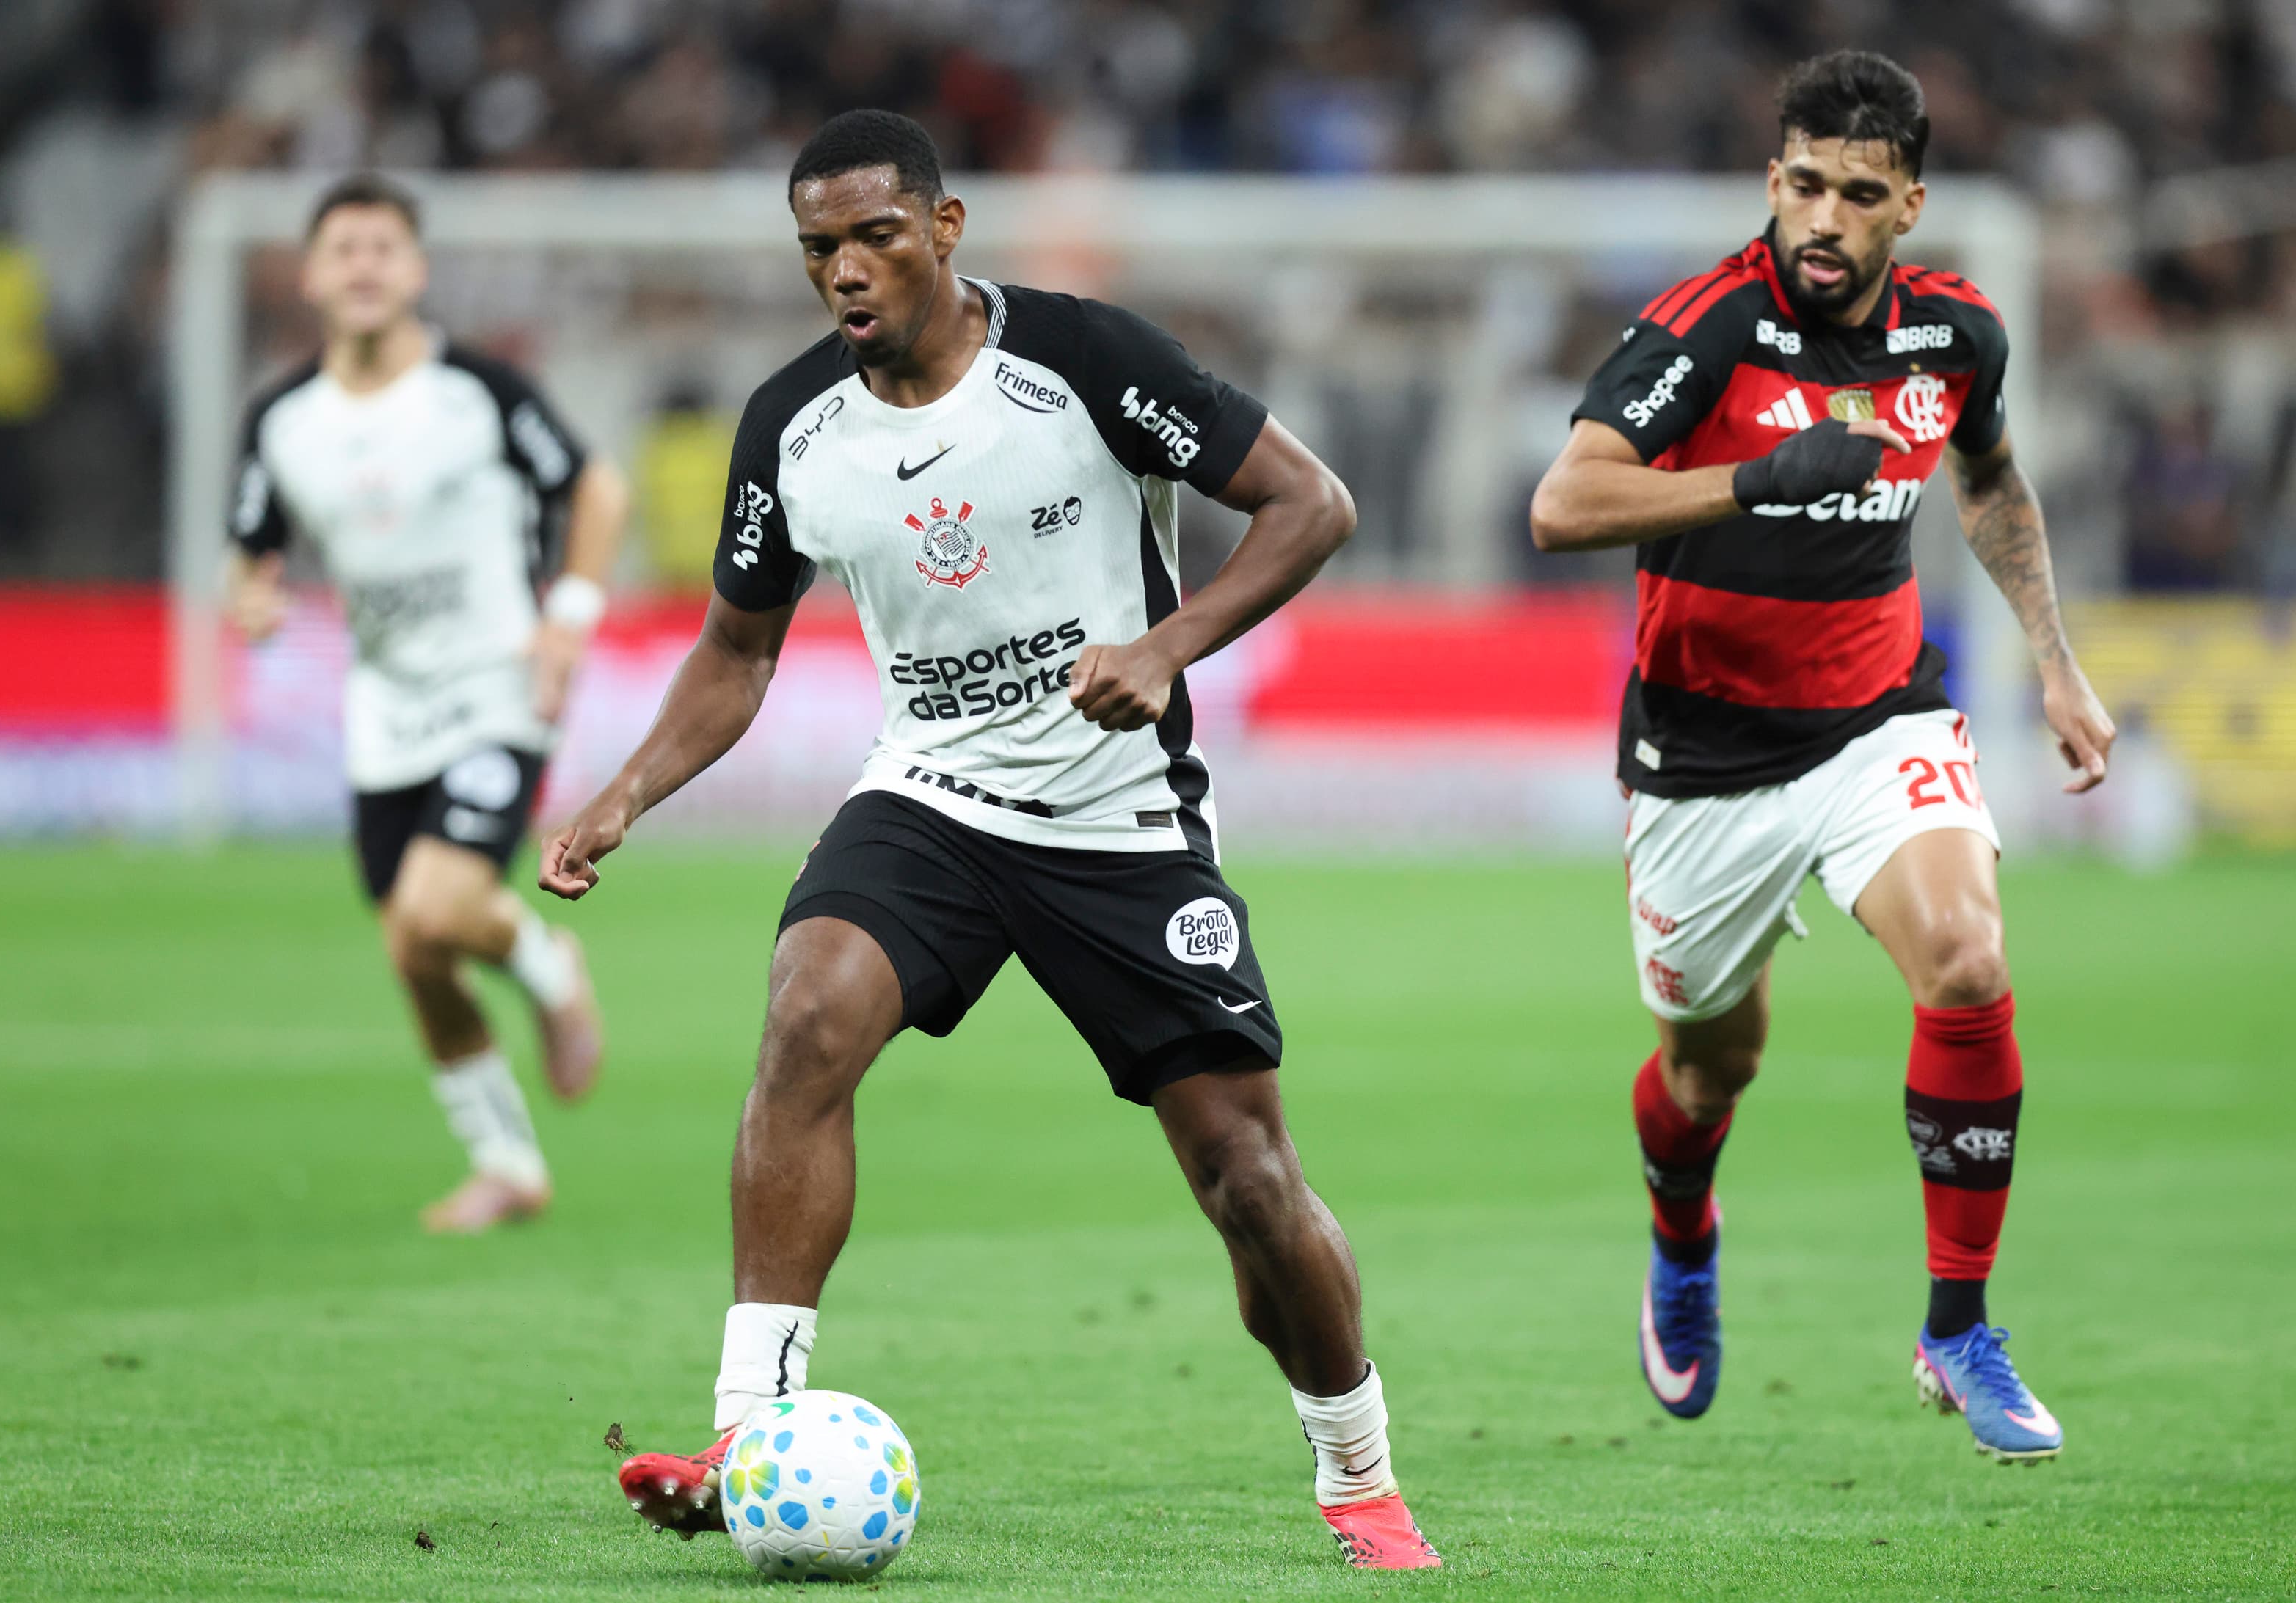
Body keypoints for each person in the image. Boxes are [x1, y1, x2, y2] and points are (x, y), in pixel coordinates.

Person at [539, 110, 1437, 1567]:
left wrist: (1168, 643)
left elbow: (1307, 504)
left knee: (1247, 1180)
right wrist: (627, 786)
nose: (845, 268)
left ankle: (1357, 1469)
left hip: (1117, 814)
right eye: (817, 246)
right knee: (808, 1016)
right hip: (932, 802)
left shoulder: (1082, 360)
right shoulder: (791, 427)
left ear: (944, 230)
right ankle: (747, 1429)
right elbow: (735, 649)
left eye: (874, 235)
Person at [1531, 51, 2116, 1464]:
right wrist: (1748, 477)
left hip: (1878, 719)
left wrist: (2054, 657)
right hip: (1700, 760)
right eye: (1803, 184)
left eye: (1860, 193)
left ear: (1908, 204)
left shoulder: (1957, 336)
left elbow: (1986, 474)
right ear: (1770, 183)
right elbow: (1563, 502)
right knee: (1708, 1066)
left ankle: (1958, 1325)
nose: (1825, 219)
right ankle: (1683, 1237)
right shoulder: (1704, 329)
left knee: (1969, 960)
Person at [227, 174, 628, 1233]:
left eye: (383, 247)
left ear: (416, 270)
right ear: (311, 275)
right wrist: (253, 596)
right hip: (384, 711)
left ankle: (549, 964)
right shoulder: (281, 420)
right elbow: (251, 550)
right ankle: (507, 1161)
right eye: (342, 248)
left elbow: (596, 488)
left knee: (437, 910)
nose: (362, 266)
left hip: (498, 686)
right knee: (413, 949)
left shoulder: (480, 391)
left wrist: (569, 615)